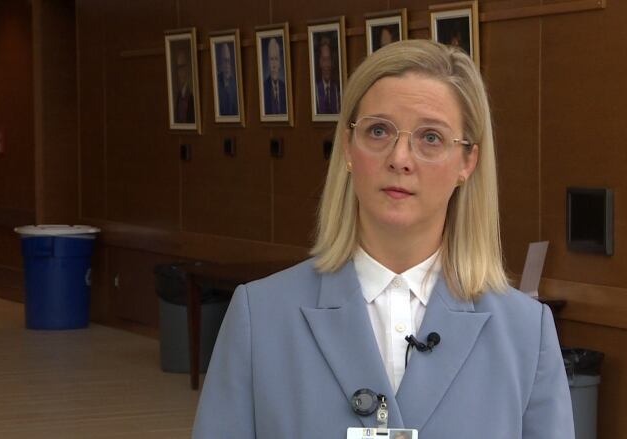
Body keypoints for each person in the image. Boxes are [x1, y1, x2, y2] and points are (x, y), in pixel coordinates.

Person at [193, 40, 573, 438]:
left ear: (467, 162)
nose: (400, 158)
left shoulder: (526, 334)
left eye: (430, 138)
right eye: (379, 131)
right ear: (348, 147)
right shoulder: (261, 317)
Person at [315, 36, 340, 114]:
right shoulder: (315, 89)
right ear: (319, 62)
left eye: (329, 59)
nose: (327, 65)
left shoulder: (337, 88)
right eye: (324, 60)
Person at [263, 37, 287, 115]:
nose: (274, 65)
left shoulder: (285, 88)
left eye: (276, 59)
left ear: (280, 63)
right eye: (271, 59)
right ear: (268, 63)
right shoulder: (263, 88)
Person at [173, 47, 195, 123]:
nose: (180, 72)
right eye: (179, 68)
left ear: (188, 67)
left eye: (182, 67)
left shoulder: (192, 94)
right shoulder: (179, 95)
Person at [216, 43, 238, 116]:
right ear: (220, 63)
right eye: (225, 61)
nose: (227, 65)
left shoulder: (235, 84)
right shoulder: (216, 83)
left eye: (228, 61)